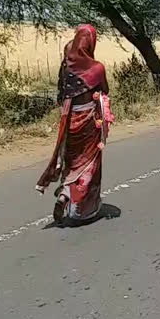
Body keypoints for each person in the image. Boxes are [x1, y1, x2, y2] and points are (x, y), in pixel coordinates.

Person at [35, 24, 114, 225]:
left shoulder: (67, 68)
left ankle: (64, 194)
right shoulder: (97, 68)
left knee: (71, 160)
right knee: (89, 163)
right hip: (89, 121)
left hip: (70, 121)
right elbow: (104, 90)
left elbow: (61, 95)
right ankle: (83, 209)